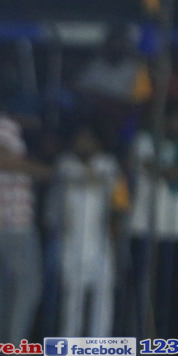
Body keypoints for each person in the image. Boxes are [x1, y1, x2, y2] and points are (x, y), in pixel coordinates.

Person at [127, 106, 178, 338]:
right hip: (144, 226)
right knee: (143, 287)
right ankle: (140, 338)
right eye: (174, 120)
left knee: (169, 288)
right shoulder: (145, 140)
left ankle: (163, 338)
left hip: (176, 230)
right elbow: (157, 168)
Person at [0, 105, 49, 344]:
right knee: (25, 287)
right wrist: (44, 171)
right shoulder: (2, 126)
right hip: (12, 225)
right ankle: (13, 345)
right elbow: (1, 156)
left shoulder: (5, 129)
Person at [56, 126, 123, 338]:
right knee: (72, 299)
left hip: (100, 241)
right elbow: (84, 178)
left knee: (103, 298)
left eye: (86, 139)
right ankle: (69, 347)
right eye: (79, 139)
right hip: (72, 241)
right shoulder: (66, 163)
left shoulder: (108, 164)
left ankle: (98, 346)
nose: (82, 144)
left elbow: (118, 199)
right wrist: (99, 179)